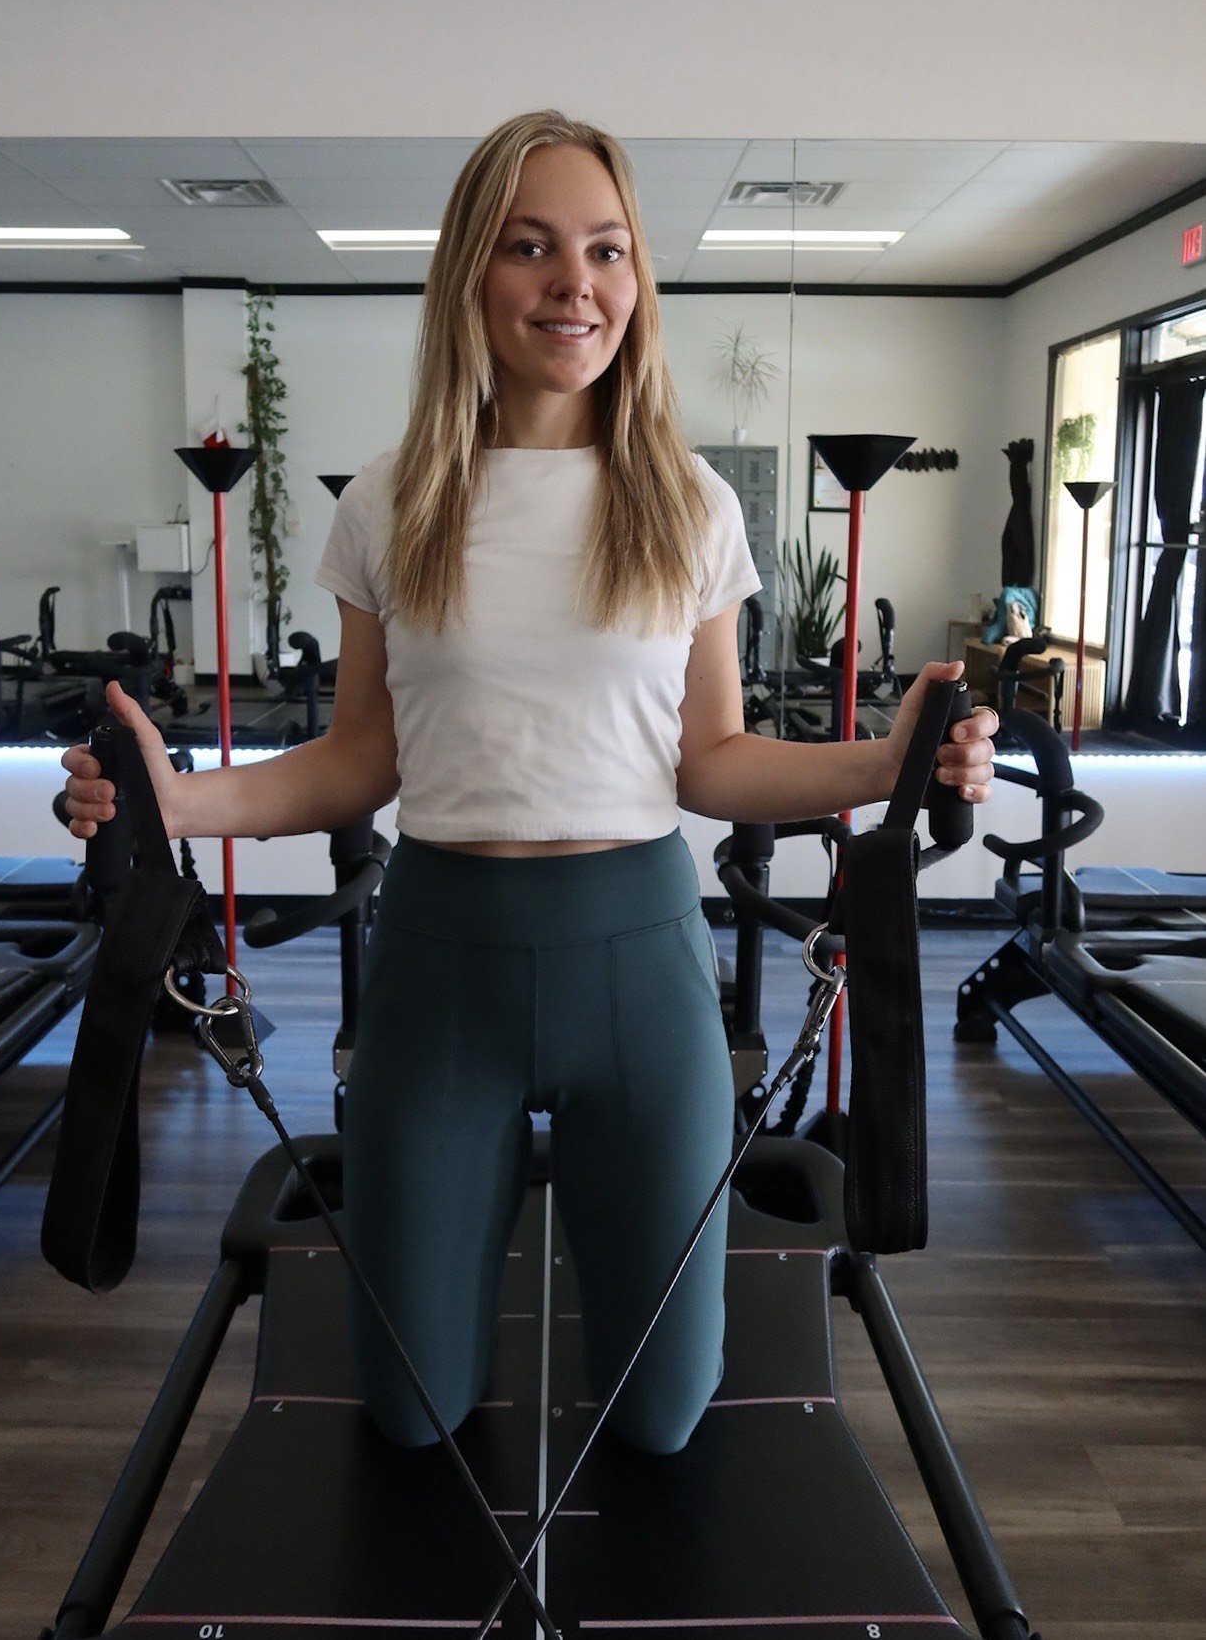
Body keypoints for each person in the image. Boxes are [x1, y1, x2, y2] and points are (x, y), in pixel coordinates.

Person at [62, 109, 997, 1457]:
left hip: (639, 966)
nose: (578, 284)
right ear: (471, 277)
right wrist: (169, 797)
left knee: (667, 1416)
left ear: (639, 280)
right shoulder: (392, 502)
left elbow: (713, 759)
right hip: (445, 968)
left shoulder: (685, 504)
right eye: (533, 246)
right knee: (412, 1408)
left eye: (608, 249)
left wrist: (892, 761)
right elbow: (362, 759)